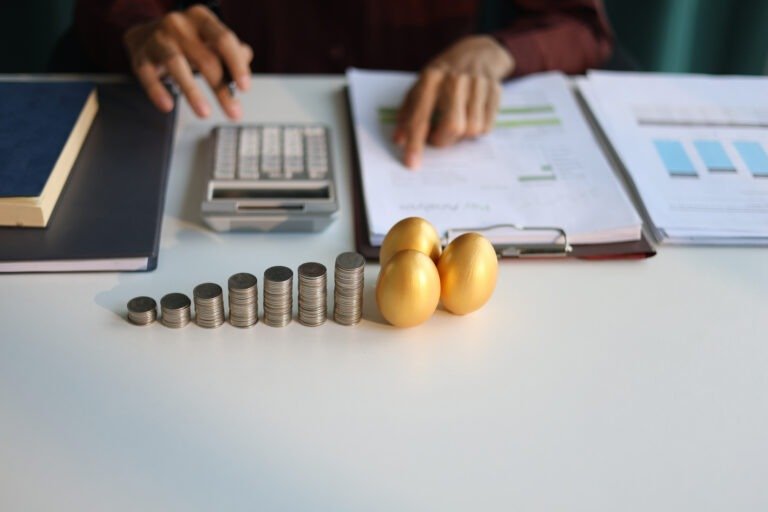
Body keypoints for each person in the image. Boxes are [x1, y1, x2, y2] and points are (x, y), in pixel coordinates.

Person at [75, 0, 613, 168]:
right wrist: (141, 28)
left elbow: (580, 24)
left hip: (415, 142)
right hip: (230, 124)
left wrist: (497, 51)